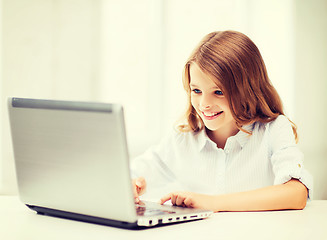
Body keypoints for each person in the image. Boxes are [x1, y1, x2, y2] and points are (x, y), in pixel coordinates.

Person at [131, 30, 313, 212]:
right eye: (196, 91)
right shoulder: (182, 138)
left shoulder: (274, 130)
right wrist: (132, 184)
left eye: (218, 92)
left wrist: (213, 203)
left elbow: (296, 193)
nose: (204, 104)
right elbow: (134, 172)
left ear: (247, 90)